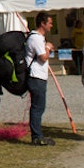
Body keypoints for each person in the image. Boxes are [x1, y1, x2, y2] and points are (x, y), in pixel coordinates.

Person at [24, 11, 54, 146]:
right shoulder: (35, 38)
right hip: (35, 76)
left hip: (40, 76)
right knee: (37, 107)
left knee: (39, 106)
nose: (51, 26)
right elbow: (42, 57)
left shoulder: (38, 37)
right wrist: (48, 48)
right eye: (50, 23)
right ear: (43, 23)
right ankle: (36, 137)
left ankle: (37, 134)